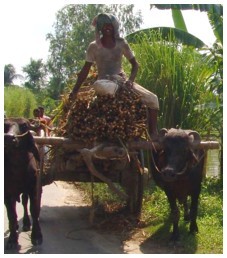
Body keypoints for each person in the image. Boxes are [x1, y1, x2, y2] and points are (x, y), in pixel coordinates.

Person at [69, 13, 159, 138]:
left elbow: (135, 65)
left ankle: (153, 133)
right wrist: (74, 91)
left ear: (114, 27)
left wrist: (130, 81)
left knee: (153, 99)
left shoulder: (121, 43)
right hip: (104, 82)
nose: (107, 28)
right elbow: (85, 70)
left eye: (110, 25)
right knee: (100, 86)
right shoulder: (93, 47)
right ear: (100, 28)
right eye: (104, 25)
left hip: (121, 79)